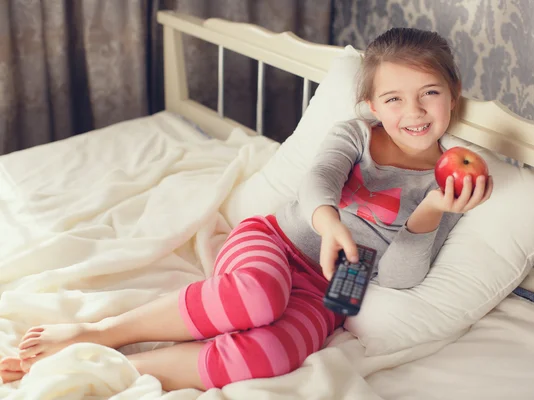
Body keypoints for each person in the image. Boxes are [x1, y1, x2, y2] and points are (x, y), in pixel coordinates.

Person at [0, 27, 492, 390]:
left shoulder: (448, 183)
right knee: (258, 297)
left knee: (275, 353)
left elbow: (402, 276)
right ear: (371, 103)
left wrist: (427, 213)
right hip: (277, 243)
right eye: (394, 98)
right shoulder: (355, 136)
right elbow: (317, 181)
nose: (414, 112)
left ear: (453, 96)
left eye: (430, 94)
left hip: (326, 292)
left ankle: (116, 365)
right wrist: (330, 223)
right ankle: (103, 332)